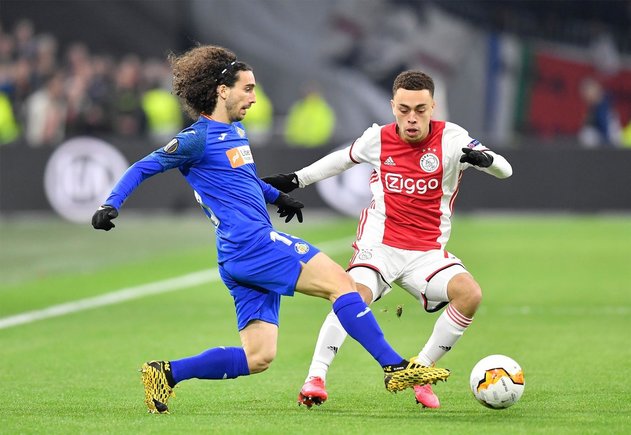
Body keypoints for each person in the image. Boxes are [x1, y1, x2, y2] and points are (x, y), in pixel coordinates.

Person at [91, 46, 449, 414]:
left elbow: (246, 180)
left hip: (236, 256)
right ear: (222, 90)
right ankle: (394, 367)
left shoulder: (236, 131)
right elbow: (141, 167)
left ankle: (165, 374)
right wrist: (110, 204)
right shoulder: (196, 139)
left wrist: (280, 198)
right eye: (247, 88)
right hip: (253, 246)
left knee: (258, 356)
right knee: (342, 285)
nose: (254, 97)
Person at [263, 70, 512, 409]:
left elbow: (506, 171)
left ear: (433, 106)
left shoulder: (453, 139)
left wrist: (488, 160)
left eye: (421, 109)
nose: (412, 118)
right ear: (393, 106)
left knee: (469, 294)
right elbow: (342, 159)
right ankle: (315, 378)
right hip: (379, 244)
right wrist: (296, 179)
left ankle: (420, 370)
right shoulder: (378, 138)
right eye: (404, 109)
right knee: (352, 295)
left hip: (427, 252)